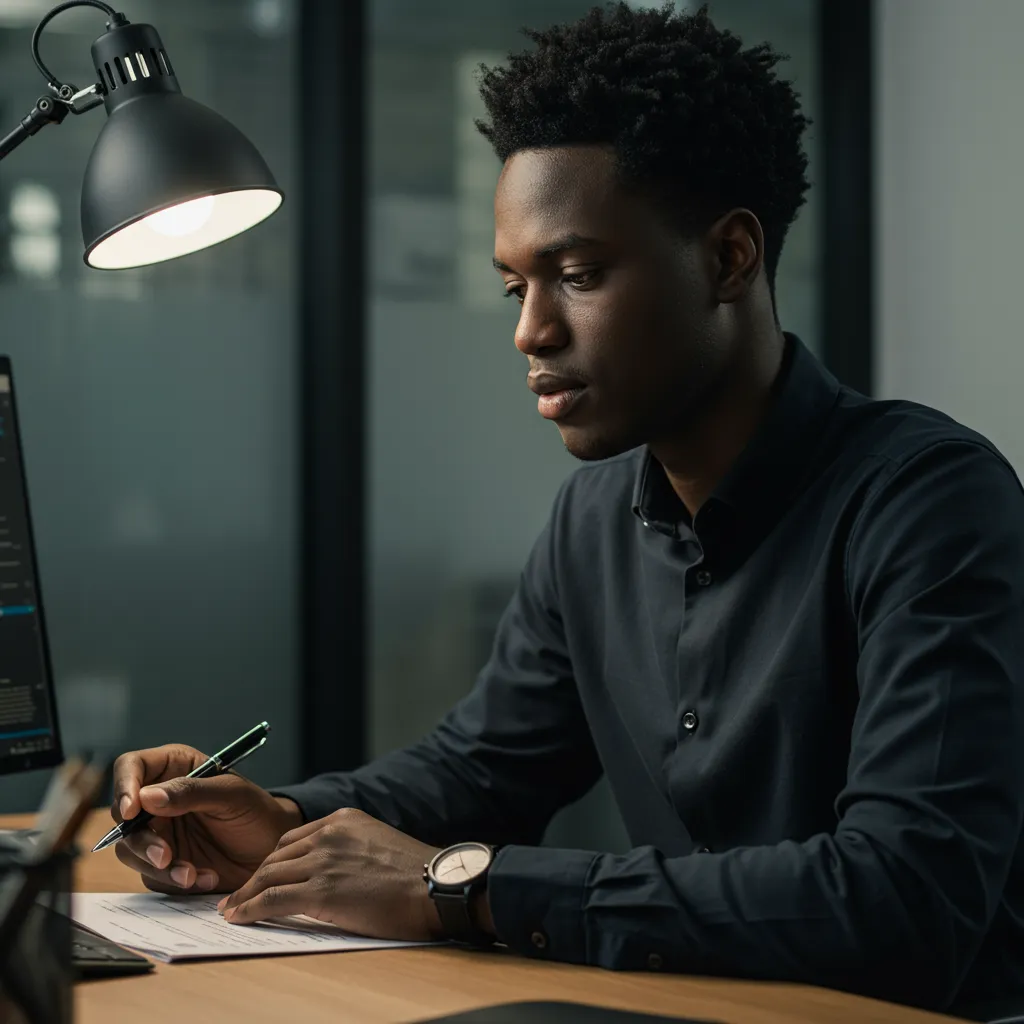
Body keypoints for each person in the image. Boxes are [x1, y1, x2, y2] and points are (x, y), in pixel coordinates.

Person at [109, 3, 1024, 1018]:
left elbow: (904, 901)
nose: (531, 332)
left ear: (727, 258)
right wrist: (281, 818)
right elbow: (481, 769)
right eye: (513, 288)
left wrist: (465, 888)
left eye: (577, 275)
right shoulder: (593, 519)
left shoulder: (931, 502)